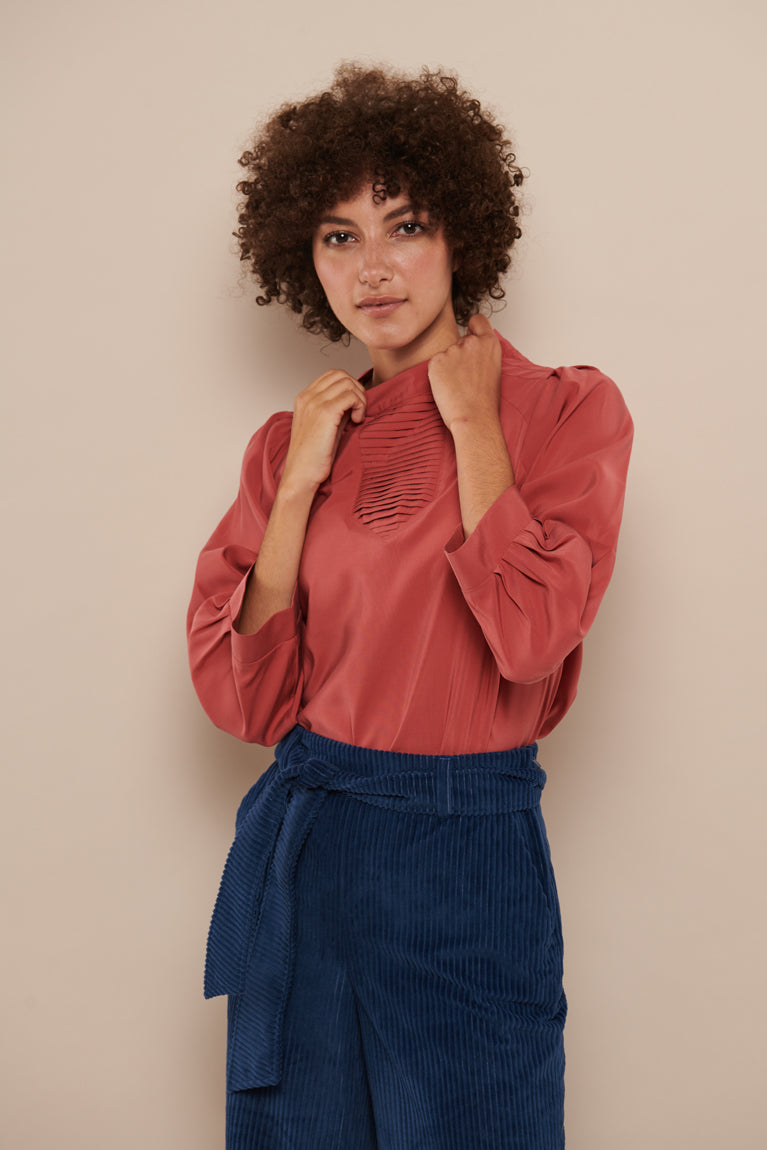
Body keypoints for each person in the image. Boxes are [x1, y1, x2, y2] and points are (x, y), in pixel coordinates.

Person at [187, 63, 633, 1150]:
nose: (373, 267)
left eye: (406, 225)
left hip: (464, 858)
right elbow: (248, 704)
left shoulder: (562, 411)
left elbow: (530, 637)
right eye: (339, 236)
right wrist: (298, 484)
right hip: (311, 850)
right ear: (304, 257)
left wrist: (472, 423)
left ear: (460, 234)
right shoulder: (288, 443)